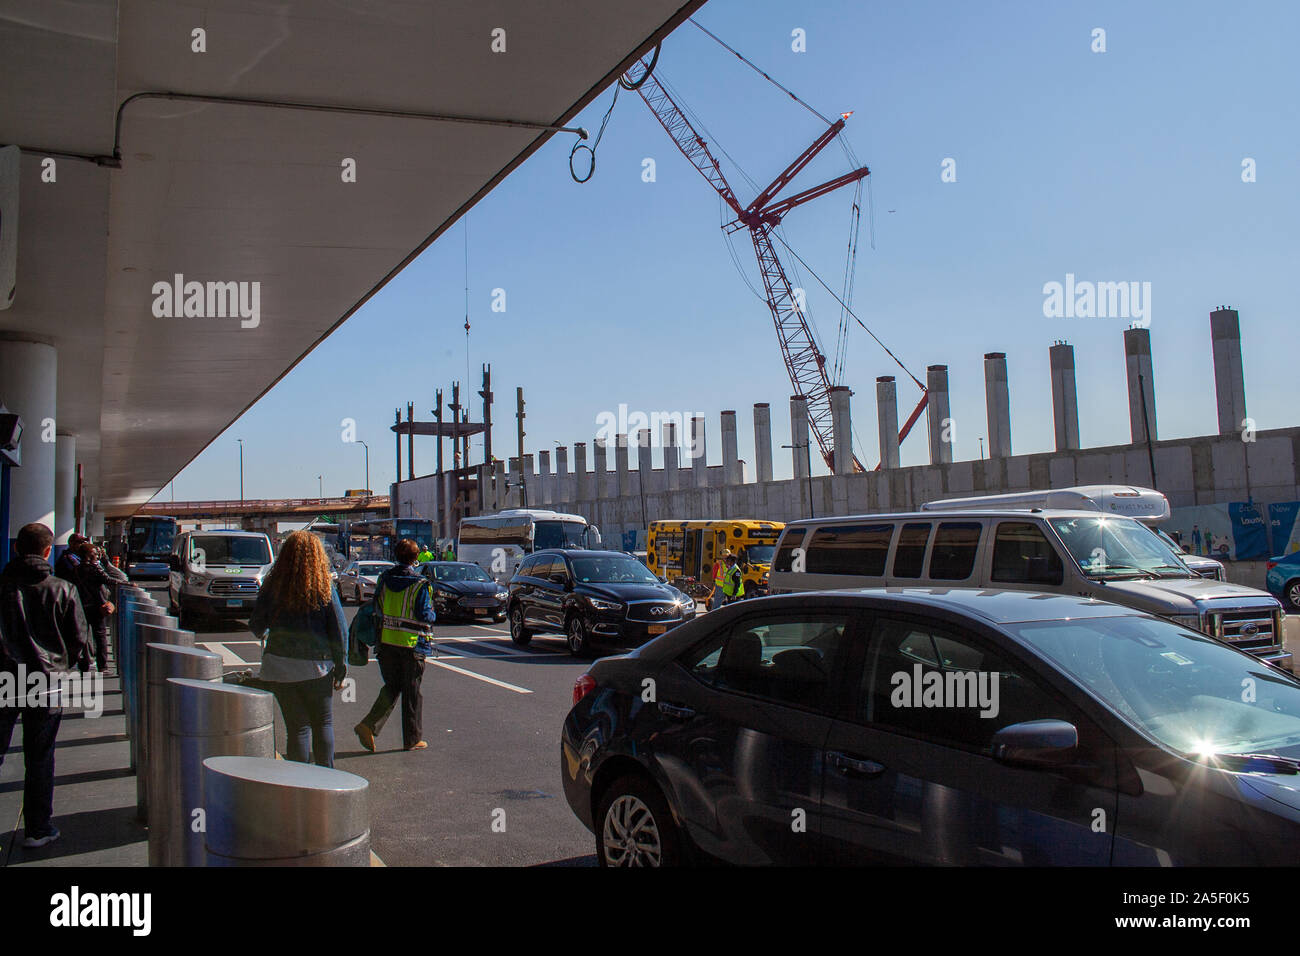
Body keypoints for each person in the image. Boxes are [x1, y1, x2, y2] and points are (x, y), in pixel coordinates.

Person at [0, 522, 92, 849]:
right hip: (46, 681)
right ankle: (38, 829)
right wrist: (74, 665)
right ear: (46, 551)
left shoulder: (2, 587)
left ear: (15, 548)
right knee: (39, 757)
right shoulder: (63, 588)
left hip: (5, 677)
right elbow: (79, 639)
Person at [248, 530, 348, 767]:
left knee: (297, 728)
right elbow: (339, 630)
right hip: (317, 667)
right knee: (323, 722)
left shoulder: (273, 586)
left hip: (279, 667)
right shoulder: (323, 586)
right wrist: (341, 665)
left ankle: (299, 784)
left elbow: (256, 626)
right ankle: (326, 778)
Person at [355, 538, 435, 753]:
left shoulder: (384, 579)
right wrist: (434, 611)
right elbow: (424, 615)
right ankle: (412, 738)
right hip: (411, 644)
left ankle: (369, 725)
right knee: (412, 691)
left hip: (386, 642)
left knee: (392, 686)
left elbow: (376, 605)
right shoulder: (420, 584)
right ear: (416, 558)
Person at [70, 540, 117, 674]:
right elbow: (109, 580)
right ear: (90, 555)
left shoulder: (76, 569)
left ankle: (83, 663)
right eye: (96, 554)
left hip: (81, 605)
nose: (97, 556)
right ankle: (102, 666)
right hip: (97, 606)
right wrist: (128, 584)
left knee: (82, 635)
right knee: (100, 636)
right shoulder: (94, 569)